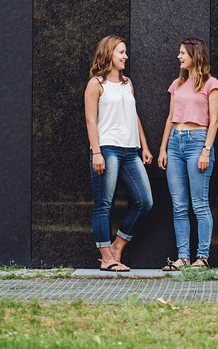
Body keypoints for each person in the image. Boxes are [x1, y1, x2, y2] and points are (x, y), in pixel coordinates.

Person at [84, 35, 154, 272]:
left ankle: (117, 248)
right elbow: (90, 120)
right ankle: (106, 258)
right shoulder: (96, 83)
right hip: (107, 149)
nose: (126, 56)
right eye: (121, 52)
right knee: (104, 203)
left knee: (145, 201)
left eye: (125, 52)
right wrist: (96, 152)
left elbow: (133, 116)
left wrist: (143, 146)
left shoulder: (127, 83)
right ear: (109, 54)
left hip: (130, 151)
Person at [157, 38, 218, 271]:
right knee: (179, 206)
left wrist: (206, 150)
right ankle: (183, 257)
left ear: (196, 55)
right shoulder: (177, 84)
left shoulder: (211, 84)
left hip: (198, 143)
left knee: (200, 204)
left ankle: (202, 258)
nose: (179, 56)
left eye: (183, 53)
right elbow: (170, 118)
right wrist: (163, 148)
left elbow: (214, 121)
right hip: (175, 143)